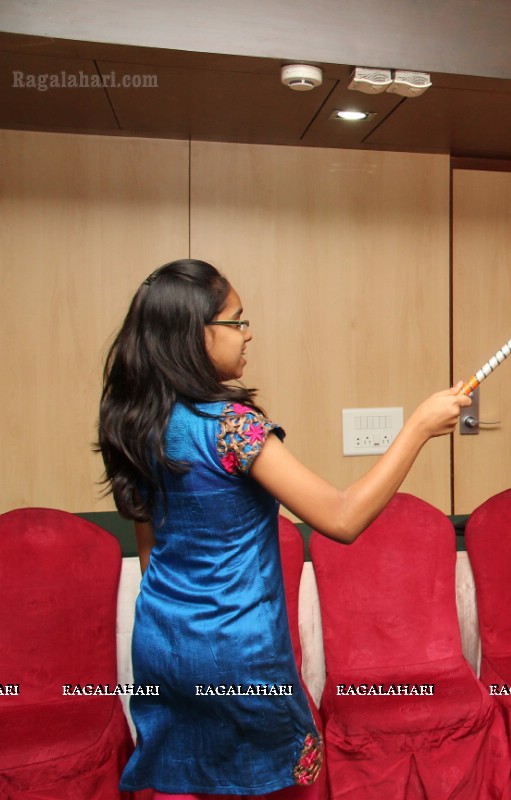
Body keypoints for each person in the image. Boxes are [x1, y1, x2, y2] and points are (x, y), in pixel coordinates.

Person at [96, 259, 470, 799]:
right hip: (239, 654)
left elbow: (151, 553)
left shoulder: (136, 422)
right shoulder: (232, 428)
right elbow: (342, 519)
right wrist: (419, 427)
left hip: (164, 646)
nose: (248, 334)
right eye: (237, 321)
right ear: (196, 334)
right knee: (278, 784)